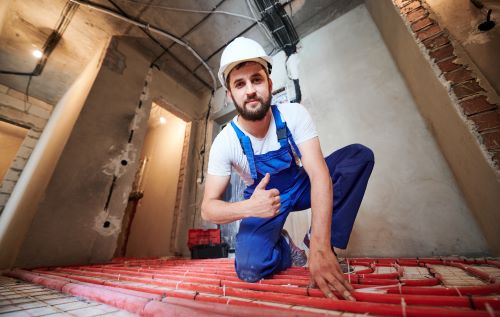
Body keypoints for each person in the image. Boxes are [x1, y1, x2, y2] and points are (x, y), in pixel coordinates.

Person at [201, 37, 374, 300]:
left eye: (256, 80)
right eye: (239, 83)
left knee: (358, 157)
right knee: (249, 268)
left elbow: (318, 174)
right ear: (230, 94)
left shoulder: (294, 115)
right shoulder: (225, 143)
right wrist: (249, 208)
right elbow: (208, 208)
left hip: (299, 185)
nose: (249, 90)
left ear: (269, 84)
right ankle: (284, 246)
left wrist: (319, 244)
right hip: (263, 199)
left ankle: (320, 245)